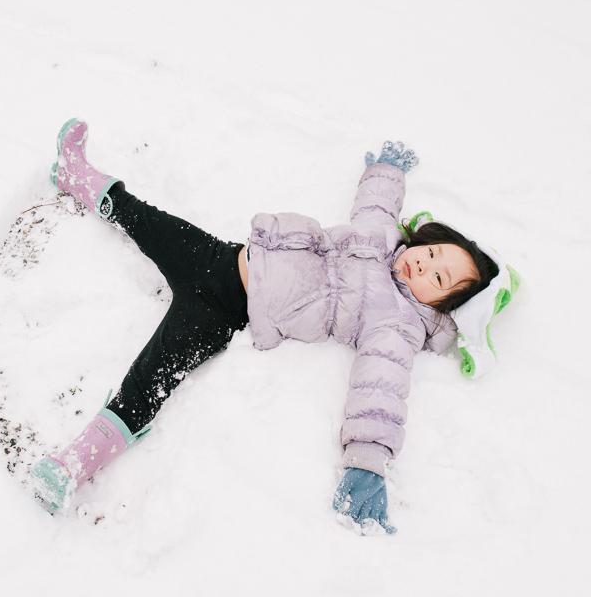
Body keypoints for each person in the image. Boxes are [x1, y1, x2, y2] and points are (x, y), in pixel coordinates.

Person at [29, 119, 500, 534]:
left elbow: (381, 387)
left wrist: (368, 463)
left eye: (439, 279)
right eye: (433, 253)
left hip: (225, 310)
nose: (424, 266)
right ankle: (77, 174)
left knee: (147, 383)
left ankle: (71, 466)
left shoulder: (395, 322)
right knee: (145, 220)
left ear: (445, 304)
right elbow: (376, 205)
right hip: (222, 256)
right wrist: (388, 173)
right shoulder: (383, 238)